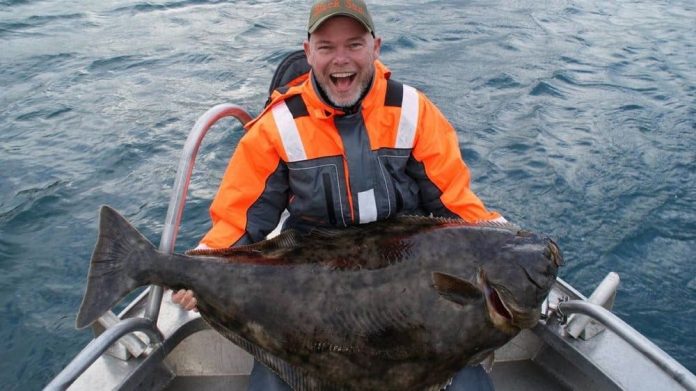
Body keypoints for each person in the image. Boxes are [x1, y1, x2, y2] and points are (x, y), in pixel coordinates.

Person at [173, 0, 504, 389]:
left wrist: (503, 243)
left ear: (375, 47)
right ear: (308, 51)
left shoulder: (414, 112)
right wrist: (200, 269)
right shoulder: (276, 127)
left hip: (406, 291)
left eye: (354, 44)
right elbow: (240, 219)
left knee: (469, 382)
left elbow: (455, 203)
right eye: (327, 47)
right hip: (311, 297)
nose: (340, 59)